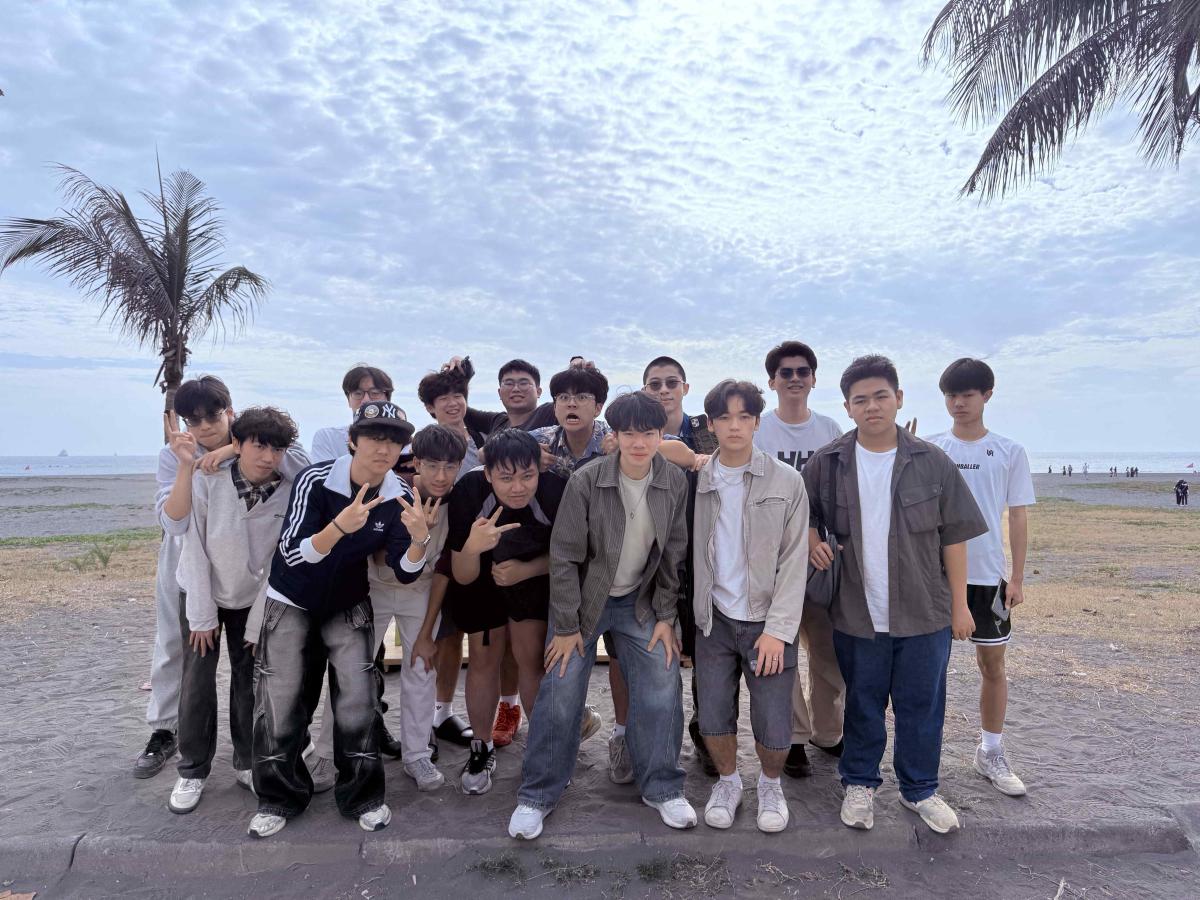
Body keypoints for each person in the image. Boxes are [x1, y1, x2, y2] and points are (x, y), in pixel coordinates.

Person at [804, 355, 986, 835]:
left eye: (881, 396)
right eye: (860, 399)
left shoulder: (932, 461)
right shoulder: (828, 463)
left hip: (925, 612)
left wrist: (961, 606)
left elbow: (954, 537)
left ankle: (919, 789)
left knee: (922, 706)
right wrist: (812, 540)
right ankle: (859, 784)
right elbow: (802, 513)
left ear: (899, 399)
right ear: (847, 407)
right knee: (862, 704)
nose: (872, 406)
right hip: (856, 611)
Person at [508, 392, 694, 839]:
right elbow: (565, 556)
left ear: (661, 435)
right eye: (628, 433)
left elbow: (673, 554)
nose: (638, 443)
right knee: (561, 686)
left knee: (662, 679)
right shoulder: (587, 480)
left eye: (648, 433)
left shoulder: (673, 480)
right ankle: (537, 794)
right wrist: (566, 627)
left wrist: (666, 616)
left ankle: (663, 787)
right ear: (615, 435)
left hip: (640, 601)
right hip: (584, 602)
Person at [246, 400, 430, 839]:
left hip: (348, 602)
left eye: (394, 441)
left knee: (358, 704)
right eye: (374, 438)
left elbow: (405, 570)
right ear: (352, 440)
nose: (384, 449)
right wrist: (339, 527)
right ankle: (278, 799)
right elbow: (292, 552)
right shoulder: (315, 479)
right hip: (292, 598)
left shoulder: (400, 495)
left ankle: (363, 797)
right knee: (280, 704)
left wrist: (420, 541)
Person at [135, 376, 309, 780]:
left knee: (249, 669)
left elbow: (303, 467)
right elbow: (175, 524)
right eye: (193, 421)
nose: (204, 427)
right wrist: (187, 464)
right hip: (188, 558)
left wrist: (235, 448)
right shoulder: (177, 454)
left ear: (229, 412)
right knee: (179, 649)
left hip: (248, 573)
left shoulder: (260, 440)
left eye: (212, 417)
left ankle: (250, 757)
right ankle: (167, 733)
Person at [307, 424, 466, 793]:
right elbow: (376, 554)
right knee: (350, 670)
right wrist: (414, 536)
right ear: (416, 463)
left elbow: (442, 572)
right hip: (373, 585)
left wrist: (427, 634)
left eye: (450, 467)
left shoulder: (458, 503)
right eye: (432, 466)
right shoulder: (393, 492)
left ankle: (417, 754)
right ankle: (328, 753)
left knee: (421, 667)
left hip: (422, 590)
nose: (441, 476)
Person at [168, 407, 300, 813]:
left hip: (253, 599)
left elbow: (278, 563)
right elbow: (193, 547)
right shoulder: (209, 481)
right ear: (237, 444)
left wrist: (258, 621)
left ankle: (246, 762)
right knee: (196, 683)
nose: (268, 457)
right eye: (259, 446)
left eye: (277, 449)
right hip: (202, 592)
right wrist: (202, 615)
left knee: (249, 682)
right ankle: (192, 769)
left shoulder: (290, 488)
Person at [692, 380, 809, 833]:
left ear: (758, 422)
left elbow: (794, 560)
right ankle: (728, 782)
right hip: (714, 620)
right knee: (714, 715)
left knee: (774, 720)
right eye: (724, 417)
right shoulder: (699, 479)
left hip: (767, 621)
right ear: (710, 425)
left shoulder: (787, 481)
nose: (735, 426)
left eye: (744, 416)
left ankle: (770, 785)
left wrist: (778, 630)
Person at [928, 359, 1036, 797]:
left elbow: (1018, 516)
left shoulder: (1009, 451)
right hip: (936, 576)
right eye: (951, 395)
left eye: (967, 395)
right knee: (929, 671)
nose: (958, 403)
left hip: (989, 577)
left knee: (992, 664)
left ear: (987, 395)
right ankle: (924, 757)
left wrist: (1017, 577)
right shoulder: (933, 448)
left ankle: (991, 751)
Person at [445, 429, 568, 794]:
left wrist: (528, 569)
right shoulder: (468, 492)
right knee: (483, 657)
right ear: (488, 474)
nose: (518, 488)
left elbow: (573, 555)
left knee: (530, 657)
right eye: (506, 478)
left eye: (527, 476)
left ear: (539, 470)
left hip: (535, 568)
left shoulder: (555, 491)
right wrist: (472, 547)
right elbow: (462, 575)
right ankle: (481, 746)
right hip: (481, 573)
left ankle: (544, 750)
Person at [751, 341, 845, 780]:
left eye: (802, 371)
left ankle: (829, 731)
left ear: (813, 378)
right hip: (772, 559)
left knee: (828, 654)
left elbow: (843, 493)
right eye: (785, 372)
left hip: (822, 559)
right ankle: (793, 739)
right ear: (772, 381)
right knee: (781, 654)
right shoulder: (759, 430)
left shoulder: (830, 429)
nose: (794, 378)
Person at [640, 356, 714, 778]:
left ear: (685, 387)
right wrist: (683, 456)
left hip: (706, 554)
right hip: (653, 557)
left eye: (671, 382)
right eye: (655, 384)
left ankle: (707, 736)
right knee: (658, 655)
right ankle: (655, 745)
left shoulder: (707, 428)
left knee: (708, 656)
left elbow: (722, 462)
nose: (664, 390)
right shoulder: (634, 428)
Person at [416, 365, 489, 751]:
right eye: (441, 398)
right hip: (426, 549)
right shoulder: (421, 446)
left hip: (470, 549)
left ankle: (442, 712)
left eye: (458, 395)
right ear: (430, 407)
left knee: (456, 634)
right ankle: (422, 719)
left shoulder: (483, 439)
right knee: (430, 637)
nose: (451, 403)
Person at [311, 365, 403, 462]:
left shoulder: (402, 440)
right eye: (358, 393)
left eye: (375, 393)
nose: (366, 400)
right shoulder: (328, 438)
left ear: (388, 400)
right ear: (348, 400)